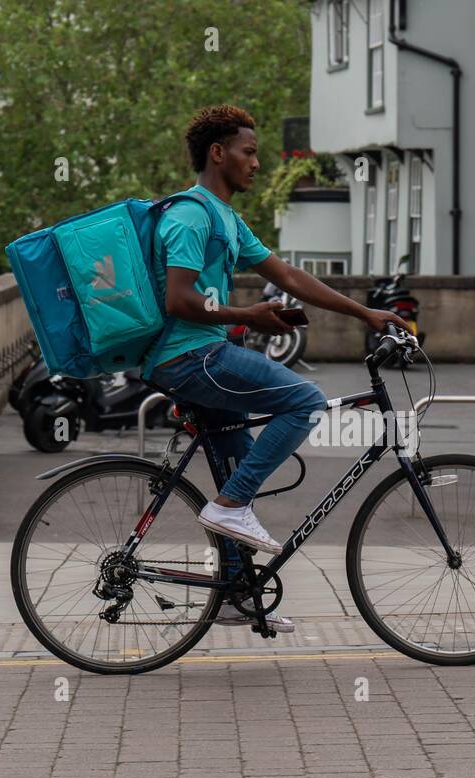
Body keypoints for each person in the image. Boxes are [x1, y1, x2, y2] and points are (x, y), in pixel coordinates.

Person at [148, 104, 394, 633]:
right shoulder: (191, 216)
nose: (258, 163)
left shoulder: (226, 219)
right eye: (249, 152)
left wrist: (363, 312)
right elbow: (179, 300)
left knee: (238, 468)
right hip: (192, 357)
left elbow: (290, 275)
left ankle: (238, 593)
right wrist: (247, 315)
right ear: (219, 154)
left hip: (201, 355)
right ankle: (230, 506)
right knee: (303, 401)